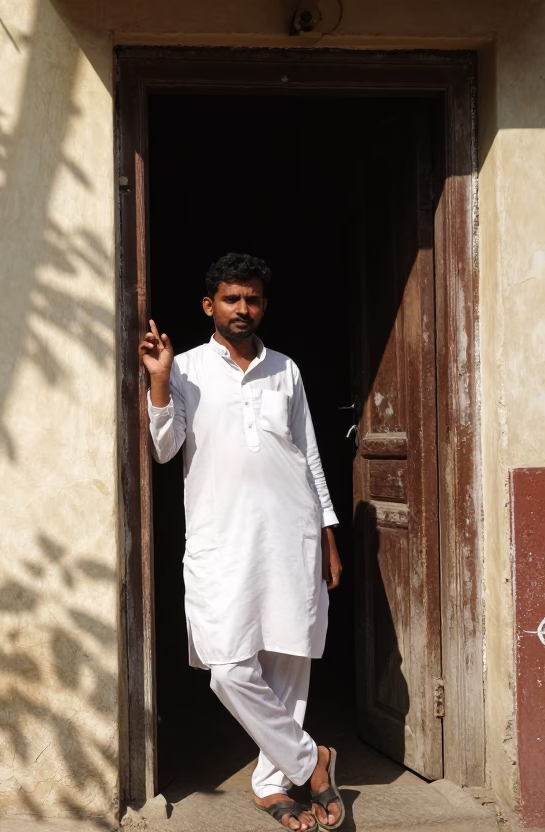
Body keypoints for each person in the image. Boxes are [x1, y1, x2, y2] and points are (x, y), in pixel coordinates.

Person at [139, 253, 346, 832]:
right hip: (222, 537)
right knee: (227, 666)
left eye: (253, 299)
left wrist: (328, 534)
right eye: (232, 298)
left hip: (292, 531)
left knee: (288, 657)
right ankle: (311, 760)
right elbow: (164, 448)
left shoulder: (286, 370)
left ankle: (271, 784)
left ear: (264, 306)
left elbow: (309, 455)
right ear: (210, 305)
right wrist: (159, 381)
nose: (243, 308)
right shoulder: (185, 368)